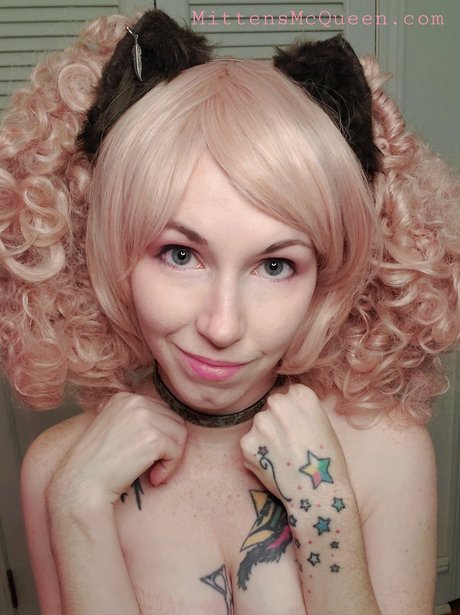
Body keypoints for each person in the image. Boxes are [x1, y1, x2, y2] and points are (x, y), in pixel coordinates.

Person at [1, 9, 459, 615]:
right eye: (179, 254)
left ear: (327, 278)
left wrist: (326, 513)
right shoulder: (60, 471)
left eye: (275, 266)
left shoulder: (388, 456)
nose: (222, 326)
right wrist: (77, 508)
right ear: (112, 253)